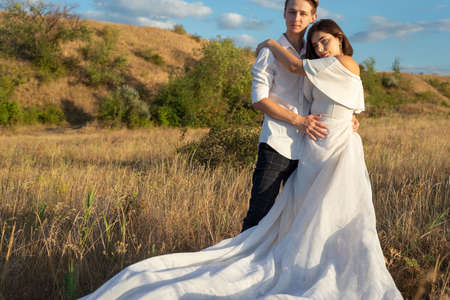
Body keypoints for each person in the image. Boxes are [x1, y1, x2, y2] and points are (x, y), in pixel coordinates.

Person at [80, 19, 402, 299]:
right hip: (311, 147)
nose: (320, 48)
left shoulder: (344, 62)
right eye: (316, 43)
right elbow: (281, 96)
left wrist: (269, 43)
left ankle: (330, 265)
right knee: (302, 212)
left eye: (325, 41)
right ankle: (282, 261)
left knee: (341, 208)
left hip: (337, 147)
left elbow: (299, 70)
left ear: (340, 39)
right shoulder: (317, 68)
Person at [242, 0, 359, 232]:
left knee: (297, 216)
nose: (297, 18)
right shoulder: (270, 52)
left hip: (311, 149)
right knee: (259, 213)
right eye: (292, 12)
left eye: (303, 13)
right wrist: (298, 121)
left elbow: (336, 89)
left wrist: (350, 115)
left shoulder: (316, 53)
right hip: (278, 143)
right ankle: (237, 263)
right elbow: (259, 100)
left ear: (313, 17)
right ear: (284, 14)